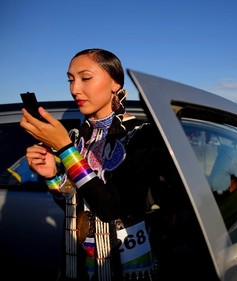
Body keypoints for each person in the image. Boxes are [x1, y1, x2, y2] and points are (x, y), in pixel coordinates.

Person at [20, 49, 162, 281]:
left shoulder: (140, 136)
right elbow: (76, 208)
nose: (75, 89)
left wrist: (65, 149)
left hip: (127, 267)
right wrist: (52, 176)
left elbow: (110, 209)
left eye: (85, 78)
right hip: (80, 263)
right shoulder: (78, 137)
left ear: (115, 83)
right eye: (70, 80)